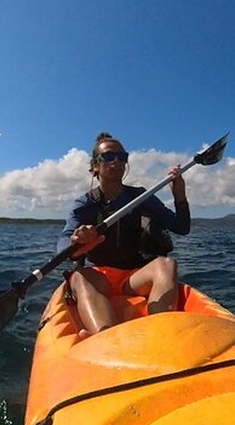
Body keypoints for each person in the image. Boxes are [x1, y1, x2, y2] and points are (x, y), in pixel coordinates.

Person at [57, 132, 190, 338]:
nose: (117, 161)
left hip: (134, 277)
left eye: (122, 157)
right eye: (109, 156)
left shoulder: (141, 197)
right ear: (95, 166)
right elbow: (64, 246)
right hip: (99, 277)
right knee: (80, 276)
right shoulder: (85, 204)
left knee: (167, 264)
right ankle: (106, 338)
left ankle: (159, 335)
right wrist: (76, 242)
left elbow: (181, 227)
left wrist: (179, 196)